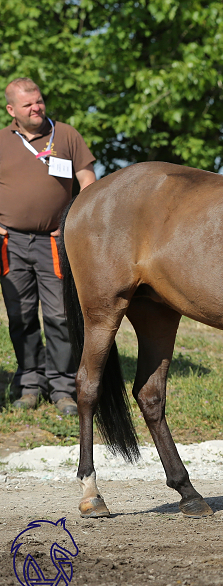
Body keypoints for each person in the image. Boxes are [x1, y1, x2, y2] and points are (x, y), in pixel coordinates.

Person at [1, 77, 96, 415]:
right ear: (12, 110)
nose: (36, 108)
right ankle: (28, 383)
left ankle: (62, 387)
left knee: (59, 315)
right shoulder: (1, 140)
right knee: (21, 315)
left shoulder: (66, 135)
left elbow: (88, 181)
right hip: (10, 242)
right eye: (27, 105)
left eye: (38, 101)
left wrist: (76, 224)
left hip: (57, 241)